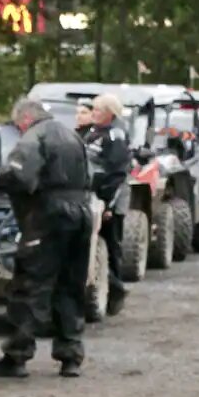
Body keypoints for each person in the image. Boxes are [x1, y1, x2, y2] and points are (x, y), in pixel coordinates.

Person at [0, 96, 93, 378]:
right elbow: (90, 177)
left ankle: (17, 356)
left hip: (48, 217)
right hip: (81, 214)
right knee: (70, 285)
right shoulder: (73, 136)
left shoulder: (33, 138)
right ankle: (70, 356)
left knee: (30, 286)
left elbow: (18, 177)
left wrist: (0, 182)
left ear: (24, 118)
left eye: (17, 124)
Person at [83, 92, 131, 317]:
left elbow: (117, 173)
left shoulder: (115, 136)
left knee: (111, 246)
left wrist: (108, 205)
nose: (93, 113)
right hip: (92, 196)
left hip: (110, 199)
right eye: (93, 109)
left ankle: (116, 291)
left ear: (109, 114)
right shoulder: (93, 133)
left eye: (98, 110)